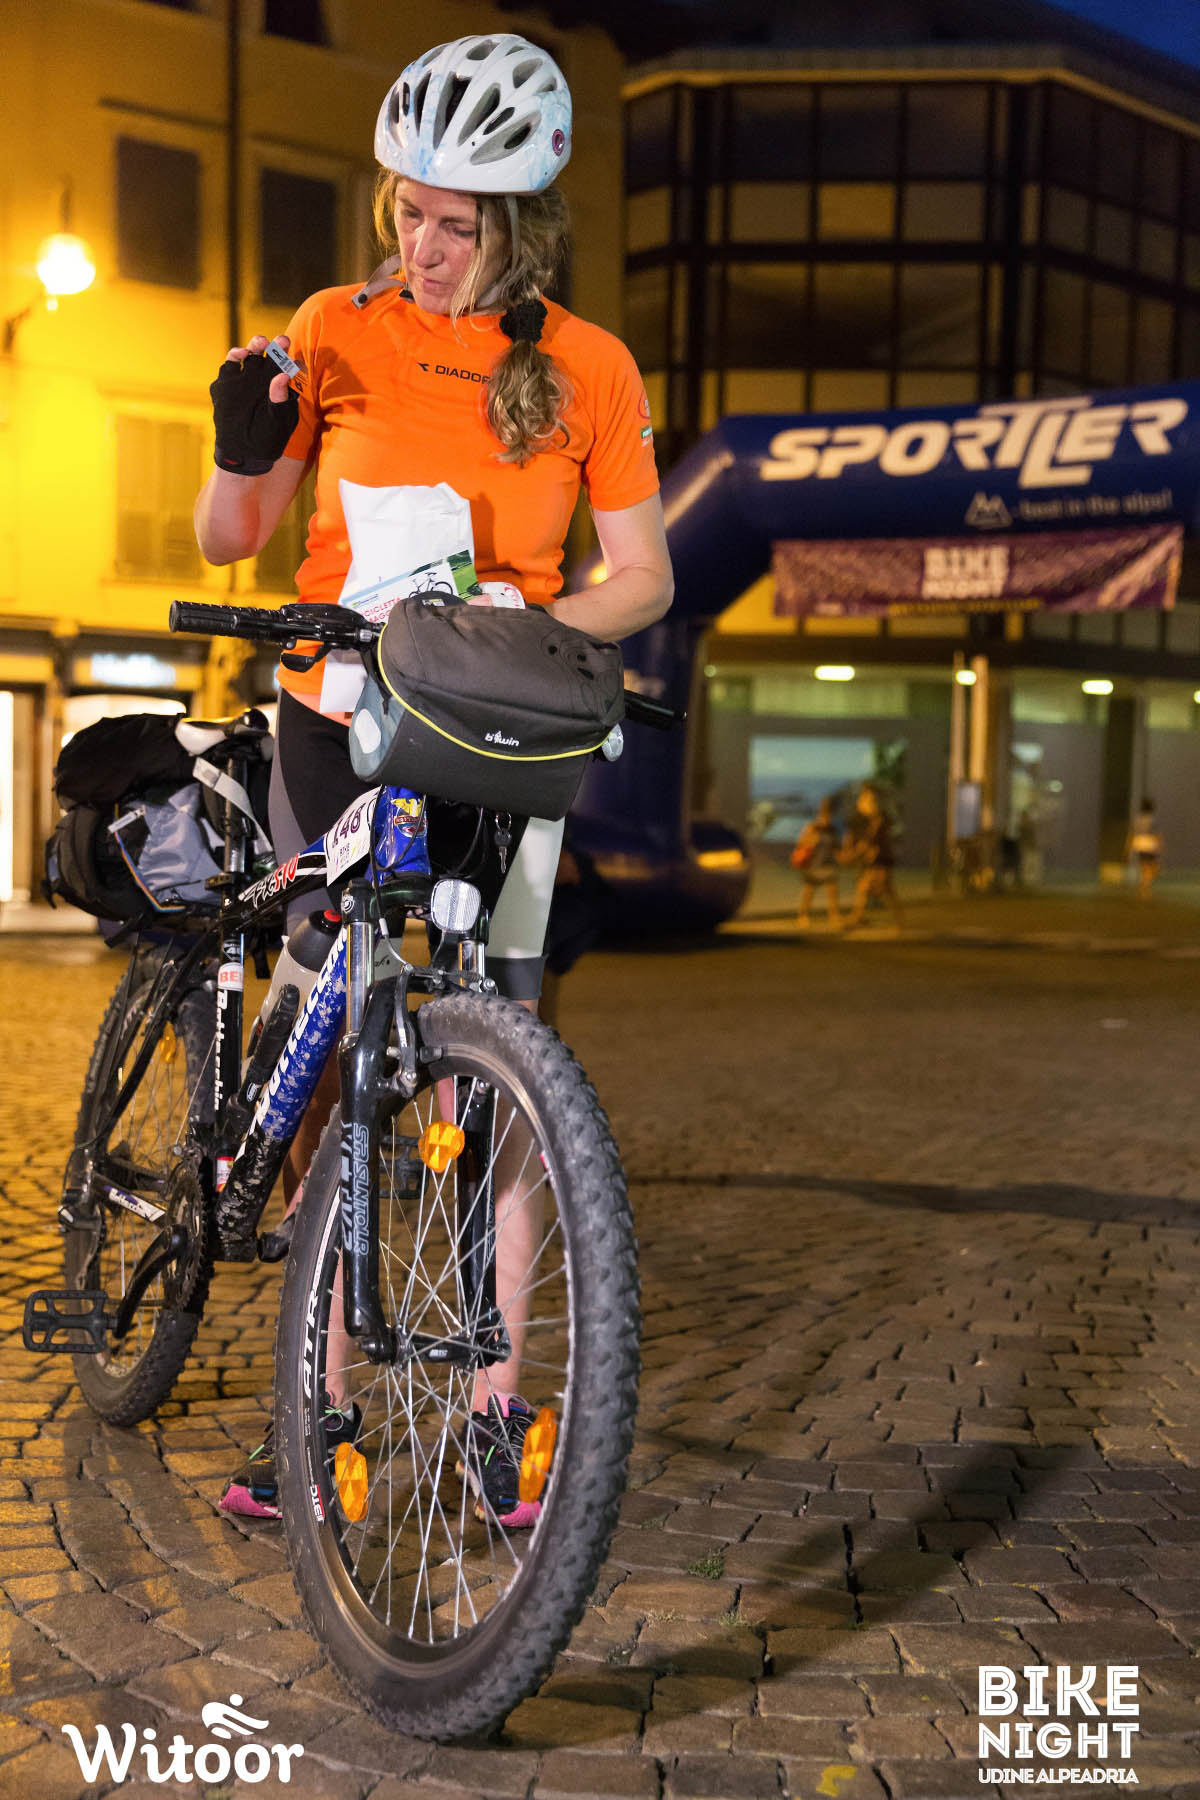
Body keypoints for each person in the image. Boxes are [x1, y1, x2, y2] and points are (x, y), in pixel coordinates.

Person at [193, 32, 673, 1526]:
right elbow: (232, 536)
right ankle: (315, 1404)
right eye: (408, 210)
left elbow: (644, 576)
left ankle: (489, 1409)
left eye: (457, 224)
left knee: (504, 1065)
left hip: (497, 726)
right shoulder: (333, 326)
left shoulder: (590, 366)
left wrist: (525, 632)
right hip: (336, 709)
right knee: (332, 1041)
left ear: (523, 226)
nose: (424, 245)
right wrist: (236, 453)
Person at [841, 783, 904, 931]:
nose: (863, 802)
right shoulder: (877, 820)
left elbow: (870, 841)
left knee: (877, 890)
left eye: (868, 799)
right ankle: (898, 920)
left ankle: (859, 917)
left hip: (880, 861)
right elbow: (867, 841)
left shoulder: (879, 821)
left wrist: (852, 855)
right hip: (880, 860)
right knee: (879, 890)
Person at [791, 797, 842, 927]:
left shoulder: (832, 829)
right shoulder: (813, 827)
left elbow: (836, 847)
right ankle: (803, 915)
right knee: (809, 891)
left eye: (829, 815)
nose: (827, 818)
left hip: (828, 863)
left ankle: (834, 916)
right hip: (814, 864)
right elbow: (802, 843)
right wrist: (812, 839)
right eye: (824, 814)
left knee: (832, 891)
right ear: (820, 814)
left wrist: (842, 856)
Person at [1126, 797, 1162, 900]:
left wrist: (1128, 846)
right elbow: (1157, 834)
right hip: (1150, 845)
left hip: (1139, 844)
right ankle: (1145, 885)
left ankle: (1144, 885)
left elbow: (1132, 832)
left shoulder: (1137, 819)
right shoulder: (1153, 819)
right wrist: (1160, 845)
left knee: (1144, 865)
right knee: (1153, 866)